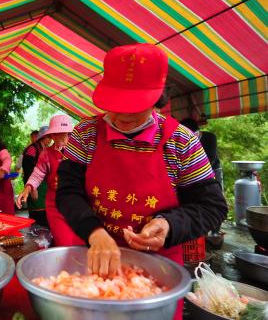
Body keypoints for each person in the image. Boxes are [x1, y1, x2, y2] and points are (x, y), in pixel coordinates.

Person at [56, 43, 228, 320]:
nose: (123, 115)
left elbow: (213, 207)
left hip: (156, 274)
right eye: (116, 104)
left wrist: (169, 224)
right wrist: (94, 232)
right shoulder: (85, 133)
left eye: (135, 106)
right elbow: (67, 192)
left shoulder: (181, 142)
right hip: (92, 265)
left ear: (159, 97)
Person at [16, 115, 84, 246]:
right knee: (64, 242)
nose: (57, 137)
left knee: (80, 243)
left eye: (61, 133)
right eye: (54, 134)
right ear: (51, 135)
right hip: (55, 205)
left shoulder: (79, 151)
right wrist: (28, 188)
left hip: (77, 204)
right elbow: (38, 173)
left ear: (69, 133)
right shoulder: (46, 153)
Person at [21, 126, 51, 226]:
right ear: (43, 137)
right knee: (37, 215)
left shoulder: (45, 149)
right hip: (35, 186)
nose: (50, 140)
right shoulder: (32, 149)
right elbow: (28, 169)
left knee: (45, 214)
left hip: (44, 187)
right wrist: (33, 189)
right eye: (49, 138)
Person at [180, 118, 223, 189]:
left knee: (216, 191)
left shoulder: (210, 137)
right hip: (193, 171)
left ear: (198, 131)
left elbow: (211, 158)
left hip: (213, 168)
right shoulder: (184, 141)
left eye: (193, 135)